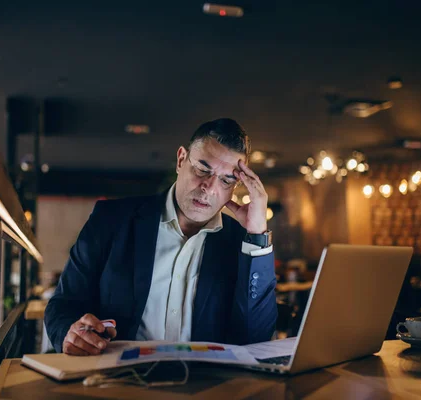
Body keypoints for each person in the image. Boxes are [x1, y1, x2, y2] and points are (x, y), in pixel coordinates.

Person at [45, 118, 277, 355]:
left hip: (204, 384)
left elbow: (255, 337)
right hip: (119, 381)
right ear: (180, 159)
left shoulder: (241, 242)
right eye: (202, 169)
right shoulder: (111, 220)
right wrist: (70, 333)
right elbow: (64, 304)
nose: (209, 187)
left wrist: (257, 234)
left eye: (227, 179)